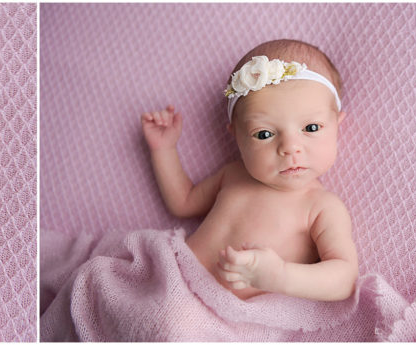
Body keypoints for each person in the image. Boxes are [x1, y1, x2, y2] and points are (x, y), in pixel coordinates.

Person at [141, 39, 358, 301]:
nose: (289, 148)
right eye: (264, 134)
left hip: (225, 317)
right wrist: (164, 150)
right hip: (172, 283)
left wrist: (280, 276)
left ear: (337, 125)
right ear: (238, 137)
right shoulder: (233, 175)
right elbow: (183, 203)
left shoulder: (321, 207)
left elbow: (343, 279)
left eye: (311, 128)